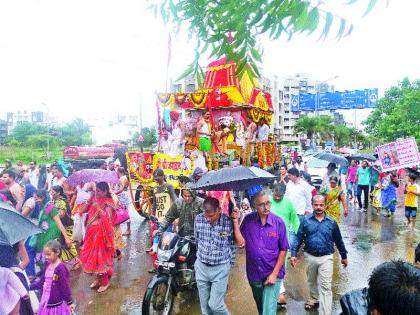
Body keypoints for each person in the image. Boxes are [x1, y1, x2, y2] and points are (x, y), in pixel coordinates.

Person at [233, 190, 288, 315]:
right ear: (254, 206)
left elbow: (284, 249)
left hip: (272, 272)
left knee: (268, 311)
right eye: (262, 204)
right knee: (261, 308)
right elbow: (240, 243)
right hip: (254, 273)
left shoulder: (278, 222)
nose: (266, 207)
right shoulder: (248, 220)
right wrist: (235, 221)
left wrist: (274, 274)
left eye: (268, 203)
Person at [290, 195, 348, 314]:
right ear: (312, 205)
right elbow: (298, 237)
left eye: (321, 205)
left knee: (326, 287)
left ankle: (325, 312)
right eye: (316, 205)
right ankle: (314, 299)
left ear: (325, 205)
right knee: (311, 281)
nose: (319, 207)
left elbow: (339, 240)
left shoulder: (332, 222)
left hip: (326, 257)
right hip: (309, 257)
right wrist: (293, 253)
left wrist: (344, 256)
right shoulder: (305, 220)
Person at [194, 197, 238, 315]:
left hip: (220, 268)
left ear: (219, 210)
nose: (208, 219)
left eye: (211, 215)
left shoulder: (228, 222)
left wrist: (230, 264)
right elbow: (197, 240)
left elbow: (232, 244)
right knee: (205, 307)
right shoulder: (198, 219)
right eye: (206, 215)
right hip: (202, 267)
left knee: (215, 305)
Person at [26, 189, 73, 277]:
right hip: (44, 234)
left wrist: (67, 238)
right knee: (44, 256)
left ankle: (53, 276)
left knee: (48, 255)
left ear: (43, 197)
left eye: (37, 199)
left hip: (51, 234)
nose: (36, 201)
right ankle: (46, 275)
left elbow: (59, 222)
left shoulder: (50, 206)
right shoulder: (44, 206)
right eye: (35, 198)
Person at [79, 182, 115, 293]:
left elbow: (107, 218)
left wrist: (98, 207)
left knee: (100, 258)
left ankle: (105, 282)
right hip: (91, 233)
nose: (97, 192)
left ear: (105, 191)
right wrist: (90, 200)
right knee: (92, 257)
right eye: (96, 190)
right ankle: (98, 279)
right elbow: (83, 211)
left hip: (101, 234)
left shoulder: (109, 202)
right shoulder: (93, 199)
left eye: (99, 191)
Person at [269, 184, 300, 306]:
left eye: (279, 196)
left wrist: (301, 234)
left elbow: (295, 220)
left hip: (283, 241)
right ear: (272, 191)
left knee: (281, 266)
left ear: (284, 194)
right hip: (268, 240)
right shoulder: (267, 201)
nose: (276, 197)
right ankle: (275, 293)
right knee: (269, 265)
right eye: (275, 195)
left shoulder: (288, 203)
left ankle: (279, 292)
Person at [30, 240, 75, 315]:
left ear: (57, 252)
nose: (46, 257)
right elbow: (42, 280)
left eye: (49, 254)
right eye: (45, 255)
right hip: (45, 298)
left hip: (56, 302)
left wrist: (69, 302)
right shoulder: (48, 264)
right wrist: (29, 287)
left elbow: (64, 286)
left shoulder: (61, 268)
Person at [51, 185, 80, 270]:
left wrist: (54, 215)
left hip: (66, 225)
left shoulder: (61, 202)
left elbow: (62, 214)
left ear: (58, 193)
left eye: (53, 192)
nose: (51, 193)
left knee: (68, 243)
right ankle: (64, 261)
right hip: (61, 226)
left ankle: (77, 261)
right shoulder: (55, 200)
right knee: (62, 244)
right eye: (51, 192)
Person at [114, 167, 131, 236]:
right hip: (124, 195)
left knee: (123, 212)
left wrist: (114, 193)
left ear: (118, 172)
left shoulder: (122, 178)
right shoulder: (125, 177)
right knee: (125, 212)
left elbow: (121, 189)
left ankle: (128, 230)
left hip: (123, 196)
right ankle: (128, 229)